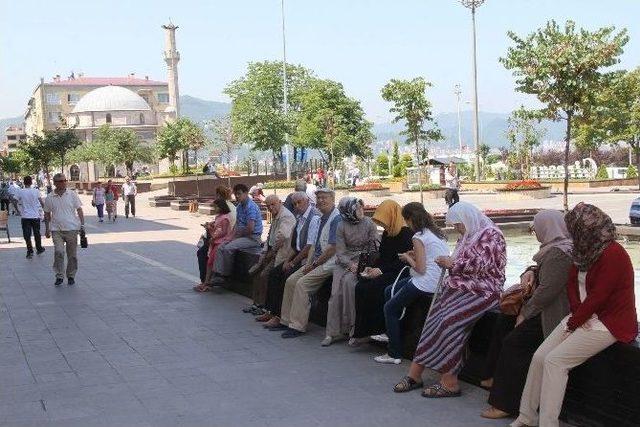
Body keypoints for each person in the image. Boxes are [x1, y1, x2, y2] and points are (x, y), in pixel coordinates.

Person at [512, 203, 637, 427]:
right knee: (540, 357)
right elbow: (572, 283)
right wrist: (578, 317)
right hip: (582, 315)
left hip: (609, 322)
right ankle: (526, 416)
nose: (569, 231)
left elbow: (600, 295)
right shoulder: (582, 248)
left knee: (555, 362)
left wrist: (575, 322)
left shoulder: (613, 254)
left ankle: (548, 423)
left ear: (584, 228)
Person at [393, 201, 506, 397]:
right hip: (461, 288)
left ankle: (450, 381)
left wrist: (452, 264)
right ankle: (415, 374)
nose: (457, 229)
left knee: (449, 322)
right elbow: (460, 259)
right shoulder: (468, 234)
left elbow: (482, 265)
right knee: (433, 321)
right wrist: (451, 263)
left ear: (467, 218)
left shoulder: (492, 235)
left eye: (458, 224)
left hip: (484, 291)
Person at [481, 210, 572, 419]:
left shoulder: (560, 253)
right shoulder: (555, 248)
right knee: (503, 321)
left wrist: (525, 313)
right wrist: (528, 272)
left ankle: (505, 404)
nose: (535, 232)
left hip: (552, 314)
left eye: (536, 228)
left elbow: (547, 291)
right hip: (543, 308)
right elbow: (541, 272)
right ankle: (490, 377)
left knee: (515, 343)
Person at [374, 203, 449, 364]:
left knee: (389, 308)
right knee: (389, 290)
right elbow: (429, 256)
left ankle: (394, 353)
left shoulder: (418, 236)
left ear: (409, 219)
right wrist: (414, 254)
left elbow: (421, 269)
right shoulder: (435, 232)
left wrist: (408, 258)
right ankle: (391, 331)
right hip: (437, 279)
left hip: (426, 281)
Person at [278, 188, 341, 339]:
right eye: (318, 198)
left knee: (302, 284)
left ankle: (298, 326)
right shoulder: (320, 218)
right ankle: (286, 320)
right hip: (316, 261)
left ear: (333, 199)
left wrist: (314, 264)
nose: (321, 201)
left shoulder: (336, 218)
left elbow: (332, 248)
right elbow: (313, 245)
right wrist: (309, 263)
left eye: (324, 198)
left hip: (330, 263)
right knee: (291, 280)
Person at [352, 200, 414, 342]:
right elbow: (383, 256)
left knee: (375, 288)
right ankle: (362, 330)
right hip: (386, 269)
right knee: (361, 286)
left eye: (384, 220)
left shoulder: (406, 234)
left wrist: (380, 270)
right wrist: (372, 268)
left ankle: (378, 329)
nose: (383, 224)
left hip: (399, 271)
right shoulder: (388, 233)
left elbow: (401, 261)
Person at [322, 197, 378, 346]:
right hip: (344, 261)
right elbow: (340, 252)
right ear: (348, 211)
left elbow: (375, 247)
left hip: (364, 261)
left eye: (361, 207)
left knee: (351, 287)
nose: (360, 210)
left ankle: (355, 330)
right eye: (356, 208)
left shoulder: (369, 223)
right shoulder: (341, 226)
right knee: (335, 294)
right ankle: (332, 333)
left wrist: (361, 264)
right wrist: (350, 264)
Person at [261, 191, 320, 328]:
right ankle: (272, 311)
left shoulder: (314, 217)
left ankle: (280, 316)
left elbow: (308, 247)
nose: (297, 206)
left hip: (307, 258)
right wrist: (288, 260)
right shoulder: (299, 217)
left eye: (299, 202)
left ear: (307, 201)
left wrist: (292, 262)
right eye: (294, 204)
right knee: (275, 273)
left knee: (285, 277)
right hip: (297, 255)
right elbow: (295, 245)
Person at [244, 195, 296, 314]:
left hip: (281, 254)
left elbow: (282, 236)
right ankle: (256, 303)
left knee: (264, 275)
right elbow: (269, 237)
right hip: (271, 252)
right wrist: (265, 251)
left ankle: (264, 306)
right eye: (268, 206)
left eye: (273, 205)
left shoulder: (286, 216)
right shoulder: (277, 215)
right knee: (256, 274)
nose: (270, 208)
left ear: (280, 202)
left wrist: (272, 252)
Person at [210, 184, 263, 285]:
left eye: (239, 194)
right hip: (242, 236)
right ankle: (217, 274)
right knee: (221, 246)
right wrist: (230, 237)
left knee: (228, 247)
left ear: (246, 193)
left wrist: (236, 236)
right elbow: (236, 226)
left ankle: (225, 275)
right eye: (236, 194)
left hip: (252, 238)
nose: (237, 196)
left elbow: (250, 229)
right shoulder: (239, 207)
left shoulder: (250, 207)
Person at [43, 173, 85, 286]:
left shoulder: (71, 194)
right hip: (56, 230)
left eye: (64, 180)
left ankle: (71, 275)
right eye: (61, 181)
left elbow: (79, 210)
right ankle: (59, 276)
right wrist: (47, 229)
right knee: (59, 252)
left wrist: (82, 225)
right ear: (55, 183)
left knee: (72, 255)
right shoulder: (50, 197)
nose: (64, 182)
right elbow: (46, 213)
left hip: (71, 229)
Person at [194, 199, 235, 292]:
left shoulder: (225, 218)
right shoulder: (218, 217)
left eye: (216, 207)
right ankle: (206, 282)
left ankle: (207, 283)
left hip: (220, 242)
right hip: (215, 241)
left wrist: (212, 232)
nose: (214, 208)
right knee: (210, 262)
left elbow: (224, 232)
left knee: (210, 263)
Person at [15, 175, 45, 259]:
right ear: (31, 182)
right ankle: (39, 248)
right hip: (35, 216)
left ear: (23, 182)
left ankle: (30, 250)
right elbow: (41, 202)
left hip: (25, 216)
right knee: (37, 233)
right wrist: (45, 211)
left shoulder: (20, 191)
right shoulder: (36, 191)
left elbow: (14, 200)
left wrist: (18, 210)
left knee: (27, 234)